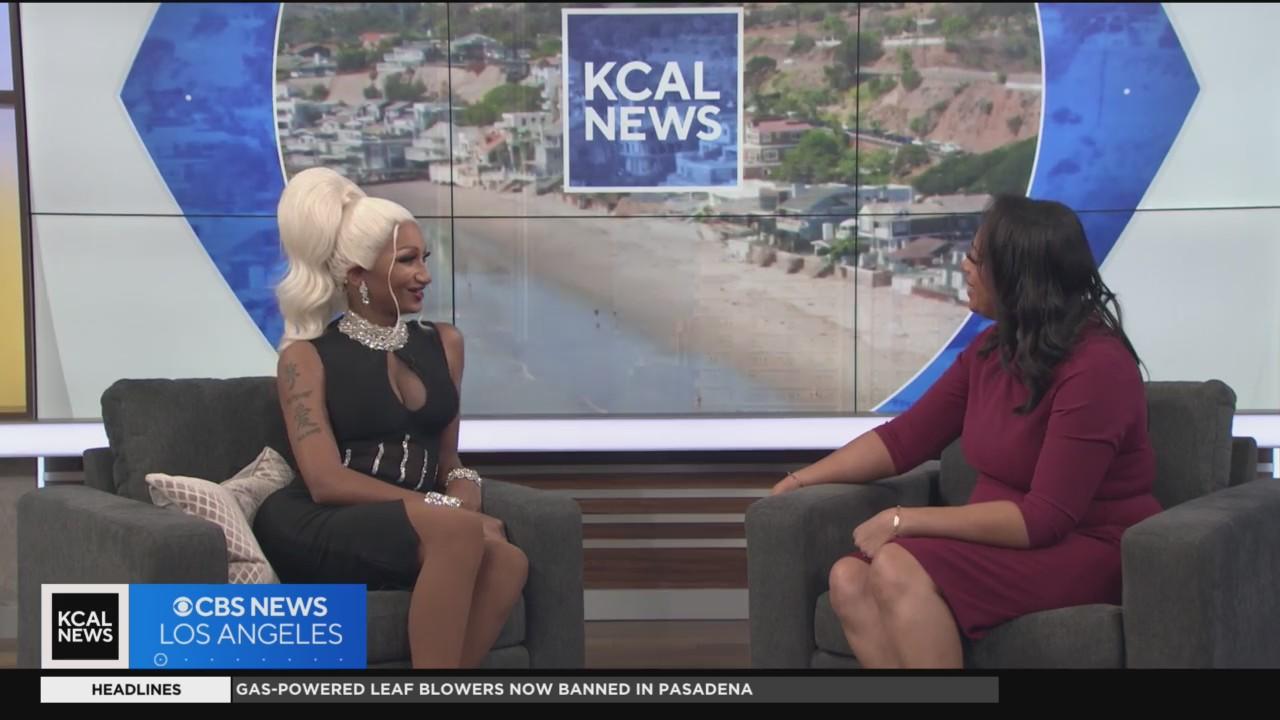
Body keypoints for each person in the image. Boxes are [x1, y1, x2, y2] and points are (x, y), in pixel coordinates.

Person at [772, 195, 1162, 668]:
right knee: (848, 580)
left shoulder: (1096, 368)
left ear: (1018, 277)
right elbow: (903, 439)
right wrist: (800, 480)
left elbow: (1044, 519)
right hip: (1003, 541)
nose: (963, 267)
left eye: (977, 259)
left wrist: (904, 519)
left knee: (895, 565)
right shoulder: (992, 350)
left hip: (1086, 546)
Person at [254, 167, 528, 669]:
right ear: (357, 275)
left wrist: (463, 491)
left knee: (508, 560)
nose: (424, 274)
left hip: (421, 520)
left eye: (424, 258)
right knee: (461, 533)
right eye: (407, 260)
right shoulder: (304, 358)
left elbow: (447, 459)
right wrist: (444, 510)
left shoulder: (445, 343)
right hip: (322, 521)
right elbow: (325, 482)